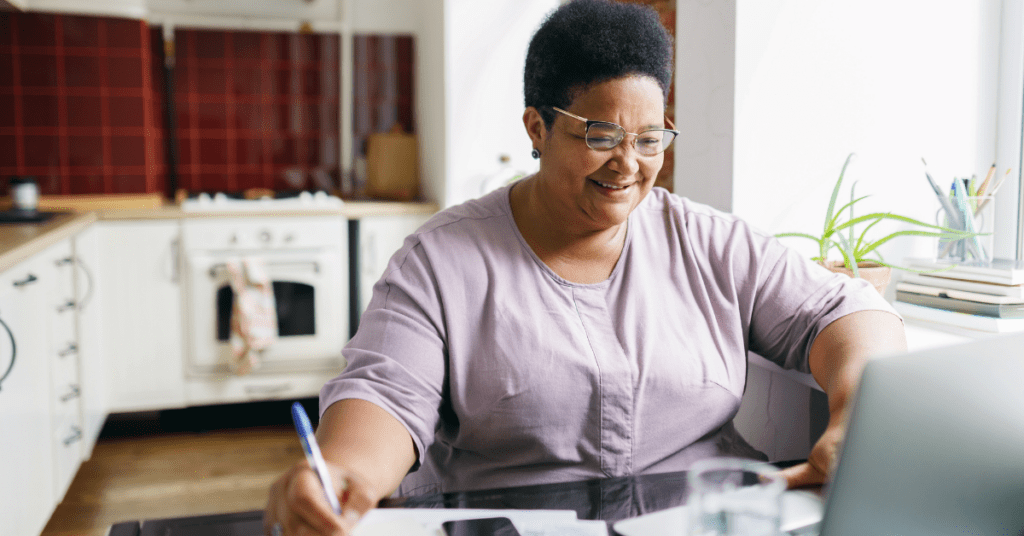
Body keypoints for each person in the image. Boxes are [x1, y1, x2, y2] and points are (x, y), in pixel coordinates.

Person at [264, 1, 907, 534]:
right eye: (600, 136)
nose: (628, 165)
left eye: (649, 138)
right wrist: (343, 476)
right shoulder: (441, 260)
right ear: (536, 127)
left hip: (704, 520)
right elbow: (384, 395)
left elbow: (848, 312)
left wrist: (852, 417)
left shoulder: (709, 242)